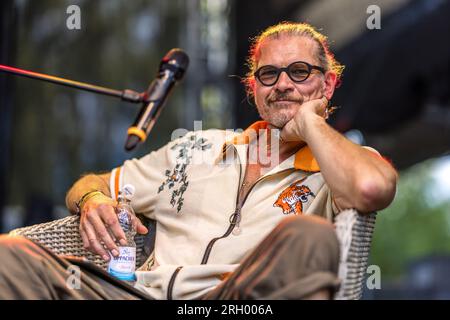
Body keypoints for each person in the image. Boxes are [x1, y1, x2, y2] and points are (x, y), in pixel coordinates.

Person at [0, 22, 398, 300]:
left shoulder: (343, 166)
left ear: (327, 84)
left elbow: (371, 188)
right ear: (253, 89)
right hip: (134, 293)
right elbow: (93, 183)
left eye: (299, 72)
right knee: (9, 256)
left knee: (307, 235)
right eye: (268, 75)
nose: (283, 84)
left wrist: (310, 122)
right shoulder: (196, 147)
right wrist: (92, 201)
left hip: (238, 299)